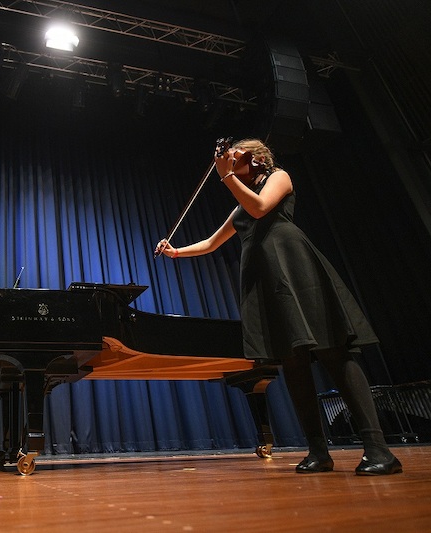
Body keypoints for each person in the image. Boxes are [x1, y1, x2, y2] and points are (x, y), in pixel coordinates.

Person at [154, 138, 402, 476]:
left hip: (295, 267)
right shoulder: (241, 198)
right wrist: (176, 251)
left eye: (236, 154)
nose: (229, 159)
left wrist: (228, 177)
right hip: (264, 279)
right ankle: (318, 451)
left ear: (256, 158)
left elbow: (260, 208)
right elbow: (213, 242)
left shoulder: (279, 177)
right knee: (293, 363)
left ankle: (378, 450)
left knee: (334, 353)